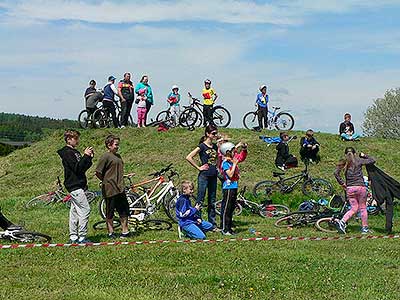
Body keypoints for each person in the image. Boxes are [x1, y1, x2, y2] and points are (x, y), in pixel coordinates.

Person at [57, 130, 94, 244]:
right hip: (75, 185)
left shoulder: (74, 152)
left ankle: (73, 237)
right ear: (68, 139)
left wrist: (88, 158)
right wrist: (85, 156)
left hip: (78, 185)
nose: (77, 141)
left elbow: (82, 168)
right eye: (75, 138)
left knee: (74, 211)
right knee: (85, 210)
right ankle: (82, 237)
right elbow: (77, 168)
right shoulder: (68, 153)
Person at [334, 147, 376, 234]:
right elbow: (372, 160)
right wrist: (364, 155)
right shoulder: (359, 160)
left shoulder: (344, 162)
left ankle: (342, 222)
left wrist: (342, 183)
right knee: (363, 208)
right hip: (361, 188)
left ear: (345, 154)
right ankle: (365, 229)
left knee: (354, 208)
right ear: (355, 153)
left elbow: (336, 173)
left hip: (350, 189)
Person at [95, 135, 130, 239]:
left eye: (118, 144)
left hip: (120, 188)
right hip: (110, 189)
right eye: (116, 144)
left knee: (123, 210)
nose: (117, 146)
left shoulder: (118, 156)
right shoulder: (105, 156)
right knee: (110, 211)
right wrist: (106, 181)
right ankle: (111, 232)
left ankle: (125, 231)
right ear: (109, 145)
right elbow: (98, 172)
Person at [186, 124, 219, 229]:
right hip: (204, 176)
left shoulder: (215, 146)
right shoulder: (202, 146)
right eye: (213, 133)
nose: (215, 135)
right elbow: (189, 157)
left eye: (216, 133)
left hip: (213, 176)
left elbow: (218, 158)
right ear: (207, 134)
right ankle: (198, 222)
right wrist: (198, 167)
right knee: (200, 199)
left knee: (212, 200)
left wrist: (217, 167)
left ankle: (212, 224)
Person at [219, 141, 247, 235]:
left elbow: (239, 156)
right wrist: (234, 164)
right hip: (228, 188)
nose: (234, 152)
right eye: (232, 151)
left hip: (234, 186)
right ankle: (224, 229)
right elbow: (230, 175)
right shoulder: (225, 163)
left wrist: (241, 146)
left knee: (231, 209)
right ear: (227, 152)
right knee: (226, 209)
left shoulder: (231, 160)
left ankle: (229, 228)